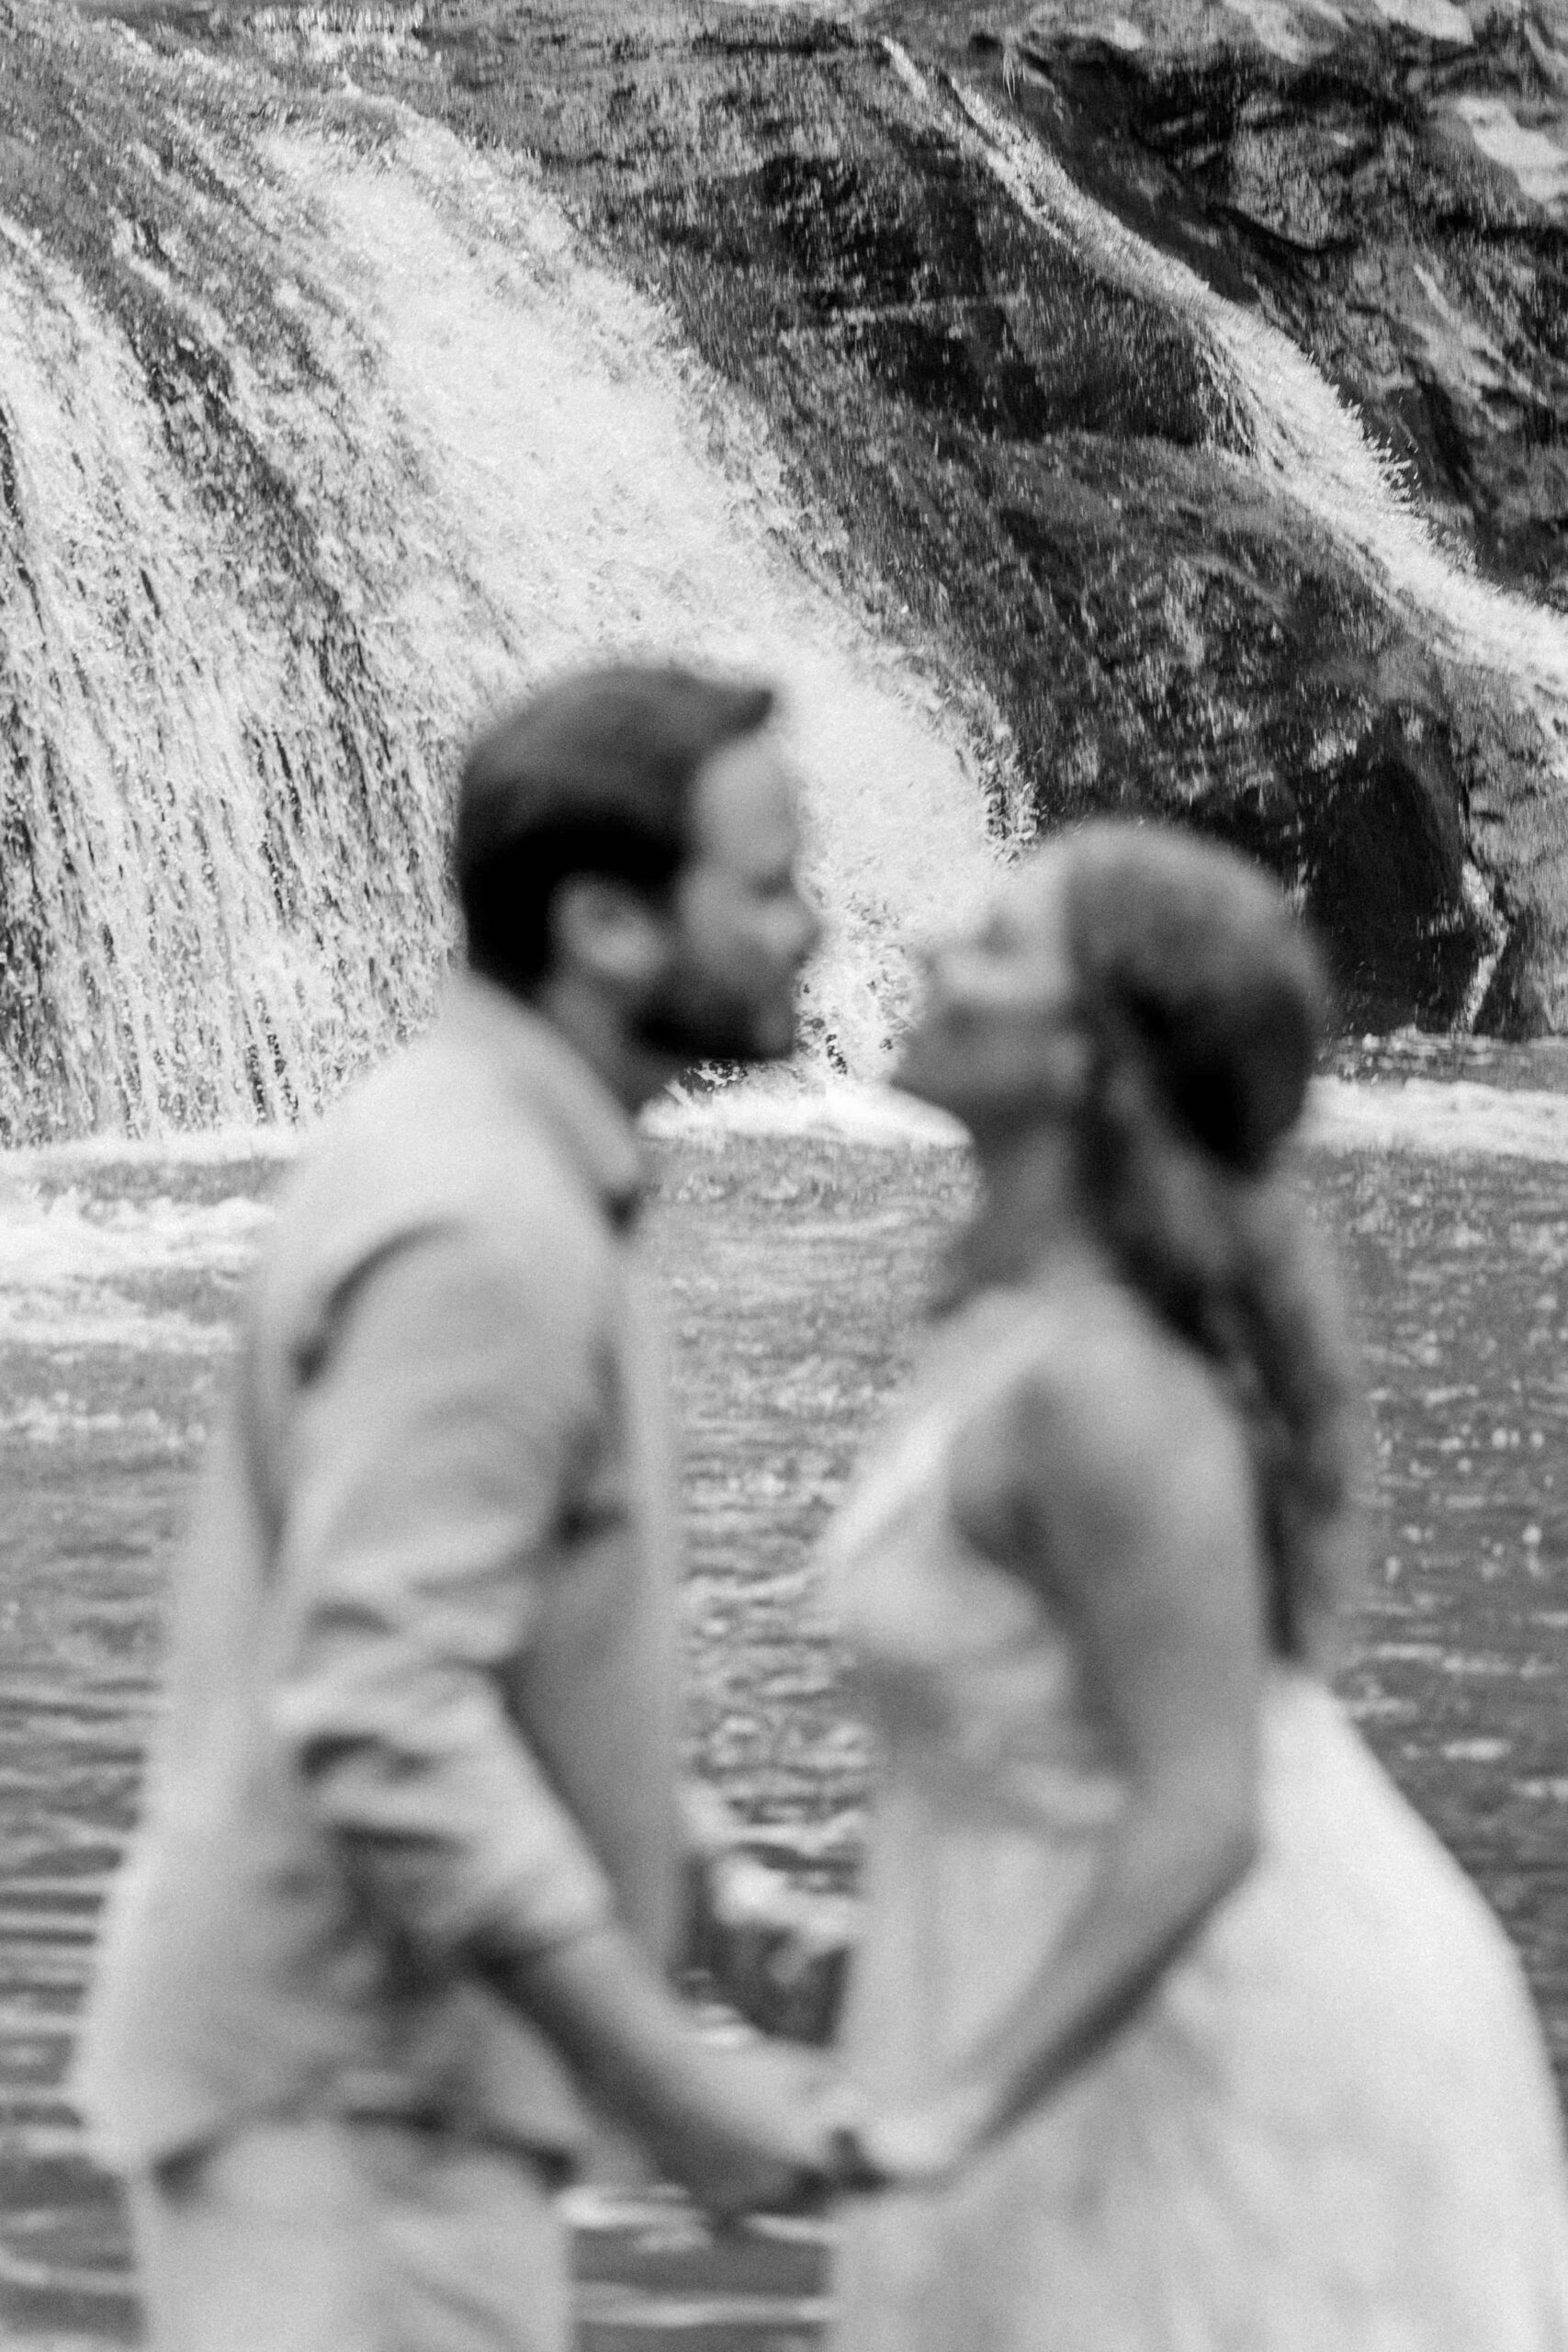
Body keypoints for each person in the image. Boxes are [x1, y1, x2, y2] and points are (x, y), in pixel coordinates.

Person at [77, 663, 863, 2352]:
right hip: (348, 2112)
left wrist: (730, 1920)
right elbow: (386, 1707)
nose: (814, 927)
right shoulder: (486, 1224)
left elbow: (475, 1664)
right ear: (606, 922)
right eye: (769, 883)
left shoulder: (478, 1153)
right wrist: (681, 2095)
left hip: (354, 2096)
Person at [826, 821, 1568, 2350]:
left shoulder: (1107, 1388)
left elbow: (1201, 1813)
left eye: (996, 943)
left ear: (1094, 1062)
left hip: (1247, 2050)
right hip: (1084, 2034)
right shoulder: (1022, 1329)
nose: (926, 952)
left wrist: (957, 2109)